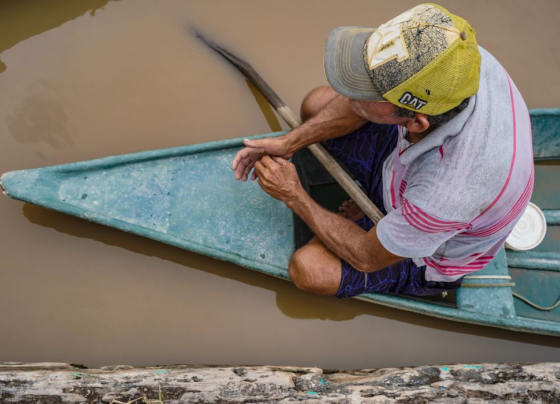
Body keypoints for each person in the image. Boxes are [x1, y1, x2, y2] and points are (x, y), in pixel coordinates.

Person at [231, 4, 534, 299]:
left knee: (309, 270)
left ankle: (390, 223)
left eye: (369, 93)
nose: (352, 95)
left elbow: (366, 257)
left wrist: (293, 194)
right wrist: (290, 143)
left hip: (427, 254)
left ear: (416, 122)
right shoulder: (455, 59)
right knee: (315, 104)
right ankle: (382, 199)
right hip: (408, 172)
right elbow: (355, 103)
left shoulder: (445, 196)